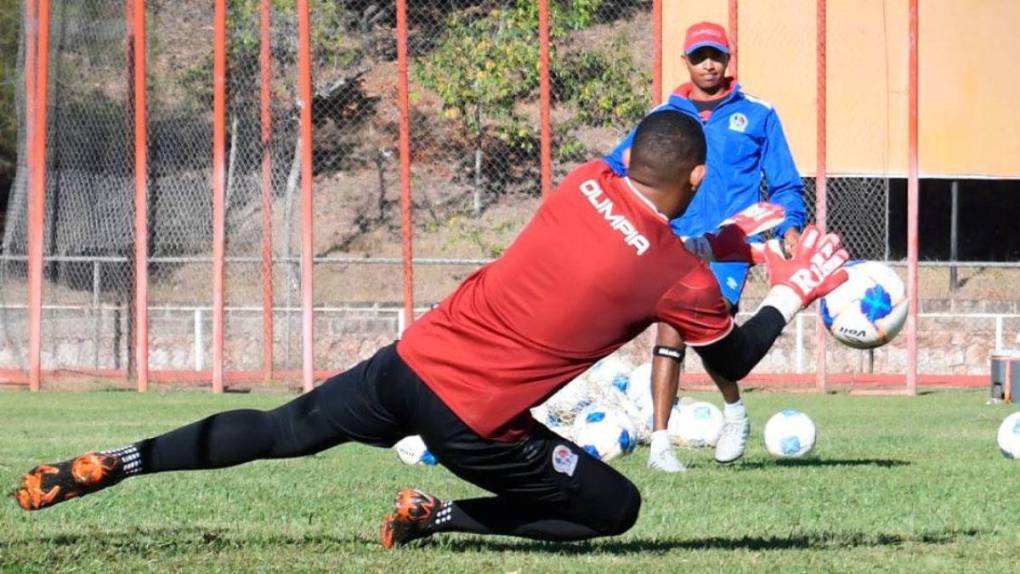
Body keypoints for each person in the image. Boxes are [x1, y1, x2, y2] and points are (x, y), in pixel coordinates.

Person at [15, 111, 846, 548]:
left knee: (280, 429)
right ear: (697, 176)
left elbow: (632, 246)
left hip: (410, 361)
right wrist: (796, 288)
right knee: (614, 509)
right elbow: (735, 351)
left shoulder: (585, 180)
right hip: (474, 422)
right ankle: (442, 515)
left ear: (631, 160)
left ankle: (120, 461)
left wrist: (718, 239)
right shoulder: (678, 277)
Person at [604, 21, 808, 471]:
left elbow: (786, 184)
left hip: (729, 248)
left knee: (710, 333)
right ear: (686, 62)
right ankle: (661, 445)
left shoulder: (758, 114)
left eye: (715, 55)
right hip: (672, 242)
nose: (708, 65)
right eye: (699, 57)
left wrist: (791, 226)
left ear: (728, 59)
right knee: (670, 329)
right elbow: (616, 166)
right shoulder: (664, 117)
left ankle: (734, 411)